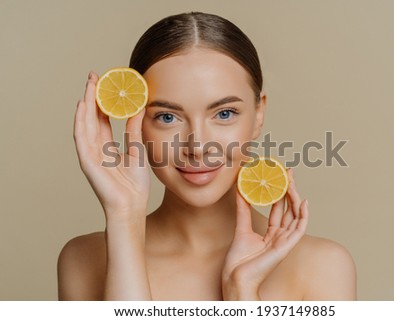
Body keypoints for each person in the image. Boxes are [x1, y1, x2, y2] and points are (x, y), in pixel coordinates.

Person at [57, 11, 356, 301]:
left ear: (258, 114)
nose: (197, 146)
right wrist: (123, 217)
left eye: (224, 113)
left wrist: (243, 294)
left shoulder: (323, 268)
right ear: (137, 122)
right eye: (167, 117)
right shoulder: (83, 261)